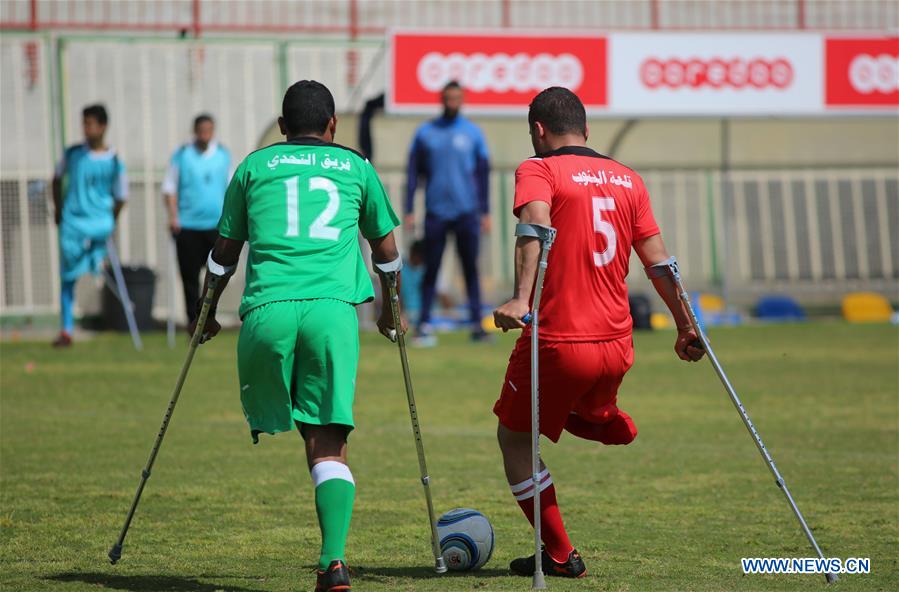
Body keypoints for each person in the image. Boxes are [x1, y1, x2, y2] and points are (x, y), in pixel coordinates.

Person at [190, 80, 403, 592]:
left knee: (300, 430)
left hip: (266, 314)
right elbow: (387, 252)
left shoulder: (252, 166)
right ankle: (334, 563)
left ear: (282, 128)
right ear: (333, 127)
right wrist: (391, 312)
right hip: (332, 315)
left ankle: (330, 560)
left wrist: (206, 311)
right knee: (327, 441)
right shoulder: (357, 166)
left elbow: (223, 252)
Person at [492, 87, 706, 578]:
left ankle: (562, 555)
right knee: (568, 398)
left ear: (538, 131)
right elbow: (660, 263)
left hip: (560, 343)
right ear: (586, 130)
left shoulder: (538, 168)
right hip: (618, 346)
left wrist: (522, 299)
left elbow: (535, 226)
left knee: (514, 438)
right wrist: (686, 325)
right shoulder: (628, 179)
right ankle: (598, 412)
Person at [405, 80, 491, 346]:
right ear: (442, 100)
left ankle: (478, 325)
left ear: (462, 100)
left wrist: (485, 211)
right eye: (448, 98)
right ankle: (424, 325)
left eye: (456, 98)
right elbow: (412, 174)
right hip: (436, 212)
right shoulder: (426, 133)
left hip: (466, 212)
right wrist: (409, 208)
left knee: (470, 270)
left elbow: (482, 174)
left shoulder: (473, 133)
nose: (452, 102)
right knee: (431, 269)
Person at [51, 104, 128, 347]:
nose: (86, 128)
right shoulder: (73, 153)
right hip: (73, 223)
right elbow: (55, 178)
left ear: (103, 126)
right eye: (84, 123)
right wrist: (59, 210)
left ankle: (123, 317)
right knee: (67, 278)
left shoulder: (114, 160)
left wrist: (110, 220)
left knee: (103, 271)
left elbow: (121, 196)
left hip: (99, 225)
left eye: (90, 123)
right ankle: (67, 330)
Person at [162, 114, 231, 323]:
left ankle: (209, 317)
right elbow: (169, 188)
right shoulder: (182, 155)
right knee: (189, 278)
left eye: (208, 130)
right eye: (201, 131)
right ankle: (192, 321)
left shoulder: (222, 155)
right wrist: (173, 216)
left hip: (215, 226)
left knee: (216, 274)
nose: (204, 135)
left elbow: (231, 189)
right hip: (189, 226)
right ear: (195, 131)